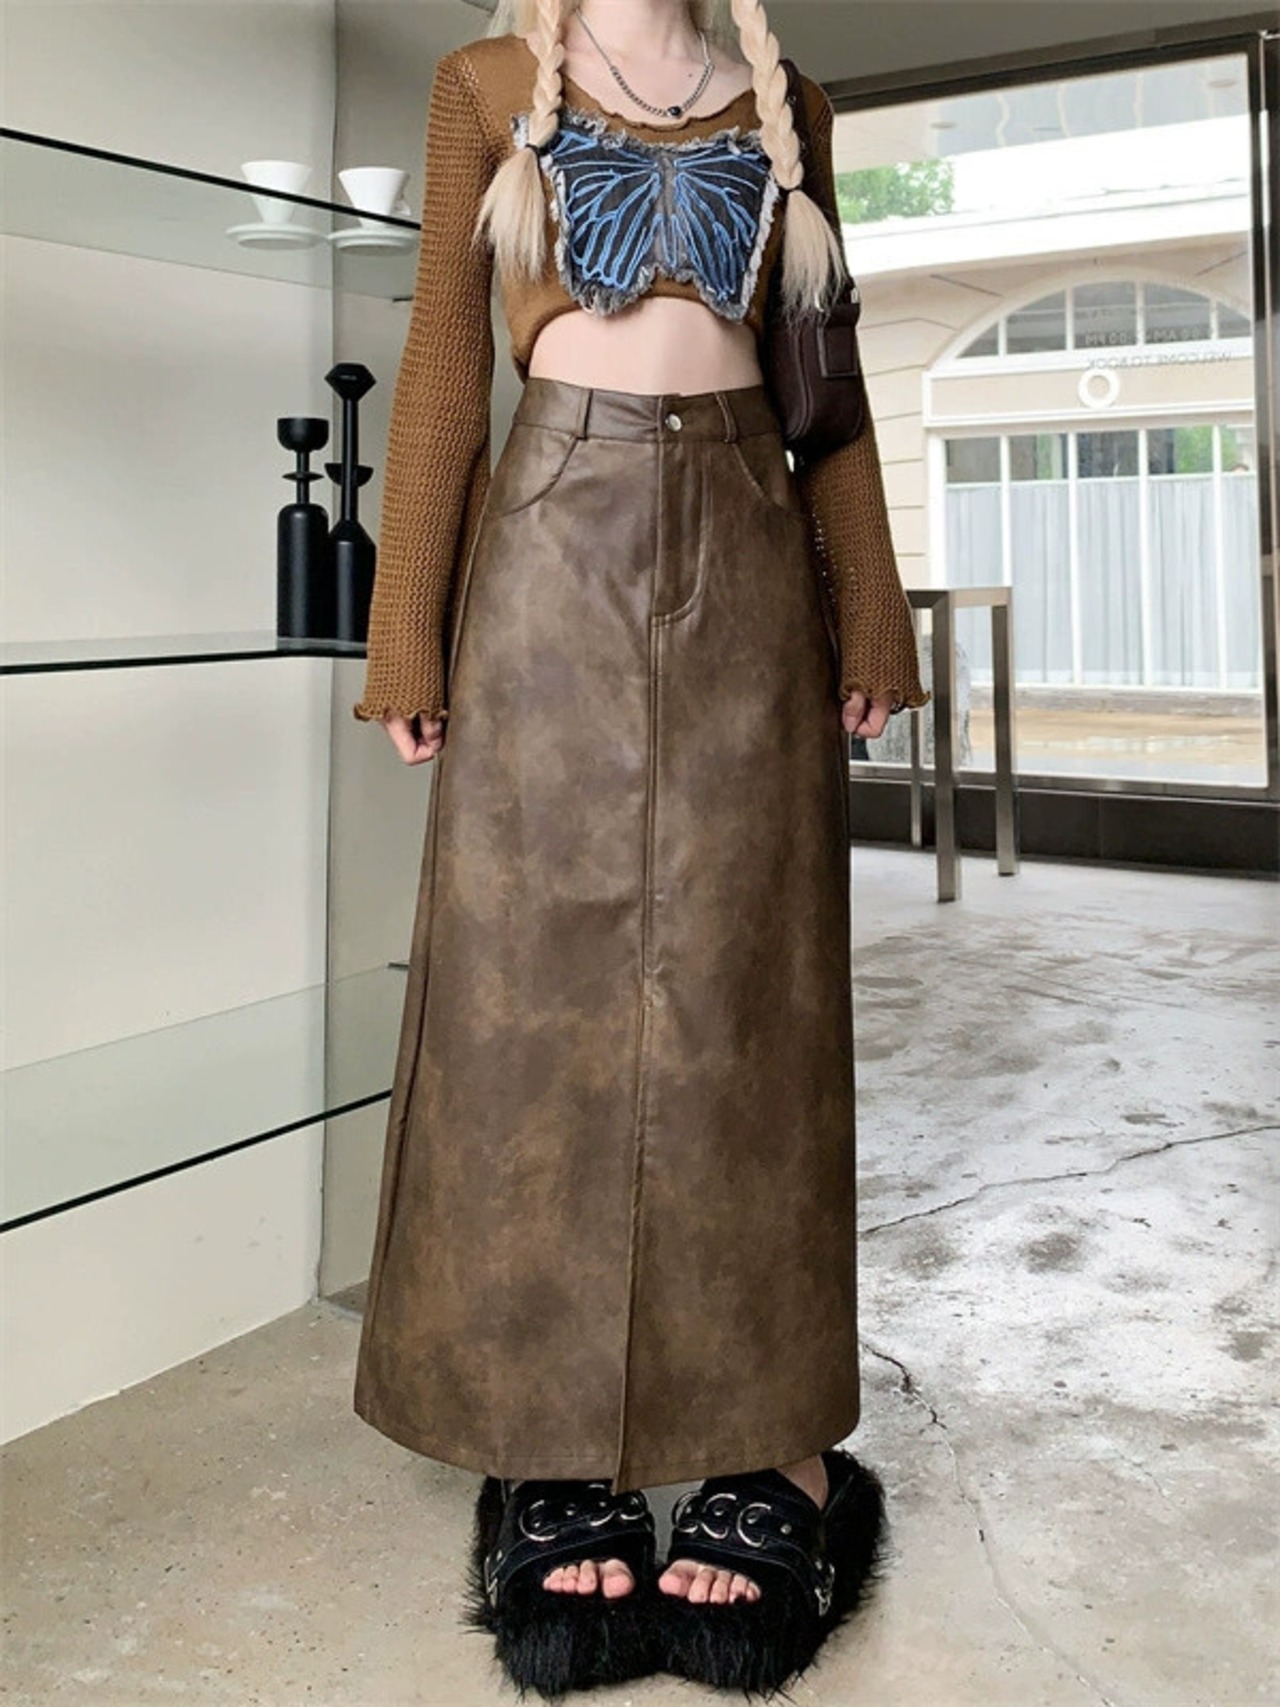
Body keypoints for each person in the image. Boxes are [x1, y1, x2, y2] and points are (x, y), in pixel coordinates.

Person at [350, 0, 926, 1697]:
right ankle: (549, 1443)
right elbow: (443, 373)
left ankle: (777, 1450)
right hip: (549, 543)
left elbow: (829, 390)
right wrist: (405, 632)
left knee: (756, 992)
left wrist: (870, 612)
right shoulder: (480, 88)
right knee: (528, 1001)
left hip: (752, 541)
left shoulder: (787, 97)